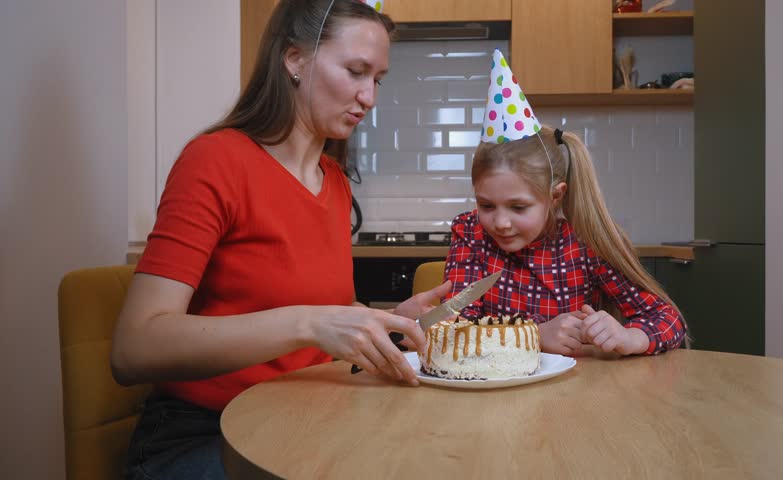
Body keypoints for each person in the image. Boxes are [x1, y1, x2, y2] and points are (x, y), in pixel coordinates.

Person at [110, 1, 447, 479]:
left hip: (306, 420)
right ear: (294, 60)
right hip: (206, 432)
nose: (369, 96)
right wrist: (307, 323)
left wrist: (385, 321)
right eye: (355, 71)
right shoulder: (216, 161)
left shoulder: (333, 181)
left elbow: (320, 307)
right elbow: (133, 348)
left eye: (378, 79)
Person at [443, 49, 687, 357]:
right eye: (487, 205)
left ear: (555, 195)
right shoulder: (471, 233)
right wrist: (531, 335)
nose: (500, 222)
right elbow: (453, 331)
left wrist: (631, 336)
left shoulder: (584, 243)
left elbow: (669, 320)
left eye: (518, 207)